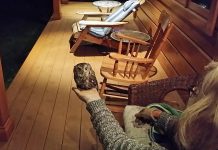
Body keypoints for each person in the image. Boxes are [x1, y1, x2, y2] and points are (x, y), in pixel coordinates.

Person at [73, 61, 218, 150]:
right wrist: (157, 115)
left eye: (195, 92)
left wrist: (94, 100)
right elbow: (193, 132)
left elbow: (118, 144)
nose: (192, 93)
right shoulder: (207, 137)